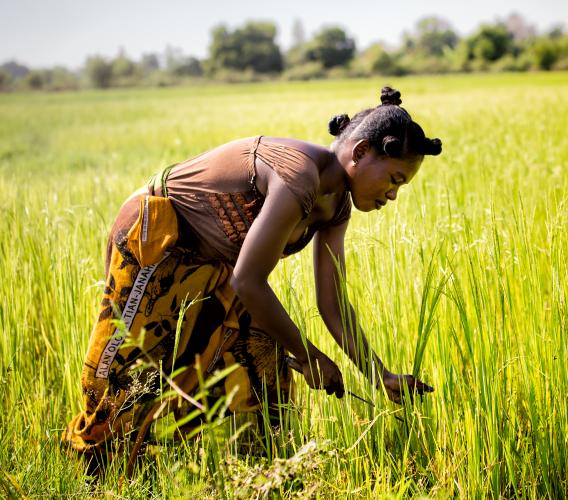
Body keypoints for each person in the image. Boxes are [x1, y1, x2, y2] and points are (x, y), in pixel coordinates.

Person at [63, 86, 441, 471]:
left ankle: (267, 474)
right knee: (124, 378)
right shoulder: (298, 175)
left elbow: (333, 304)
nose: (393, 195)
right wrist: (310, 355)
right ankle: (99, 475)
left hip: (215, 265)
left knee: (263, 359)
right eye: (394, 179)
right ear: (360, 153)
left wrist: (380, 375)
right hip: (158, 241)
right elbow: (248, 280)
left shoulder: (337, 206)